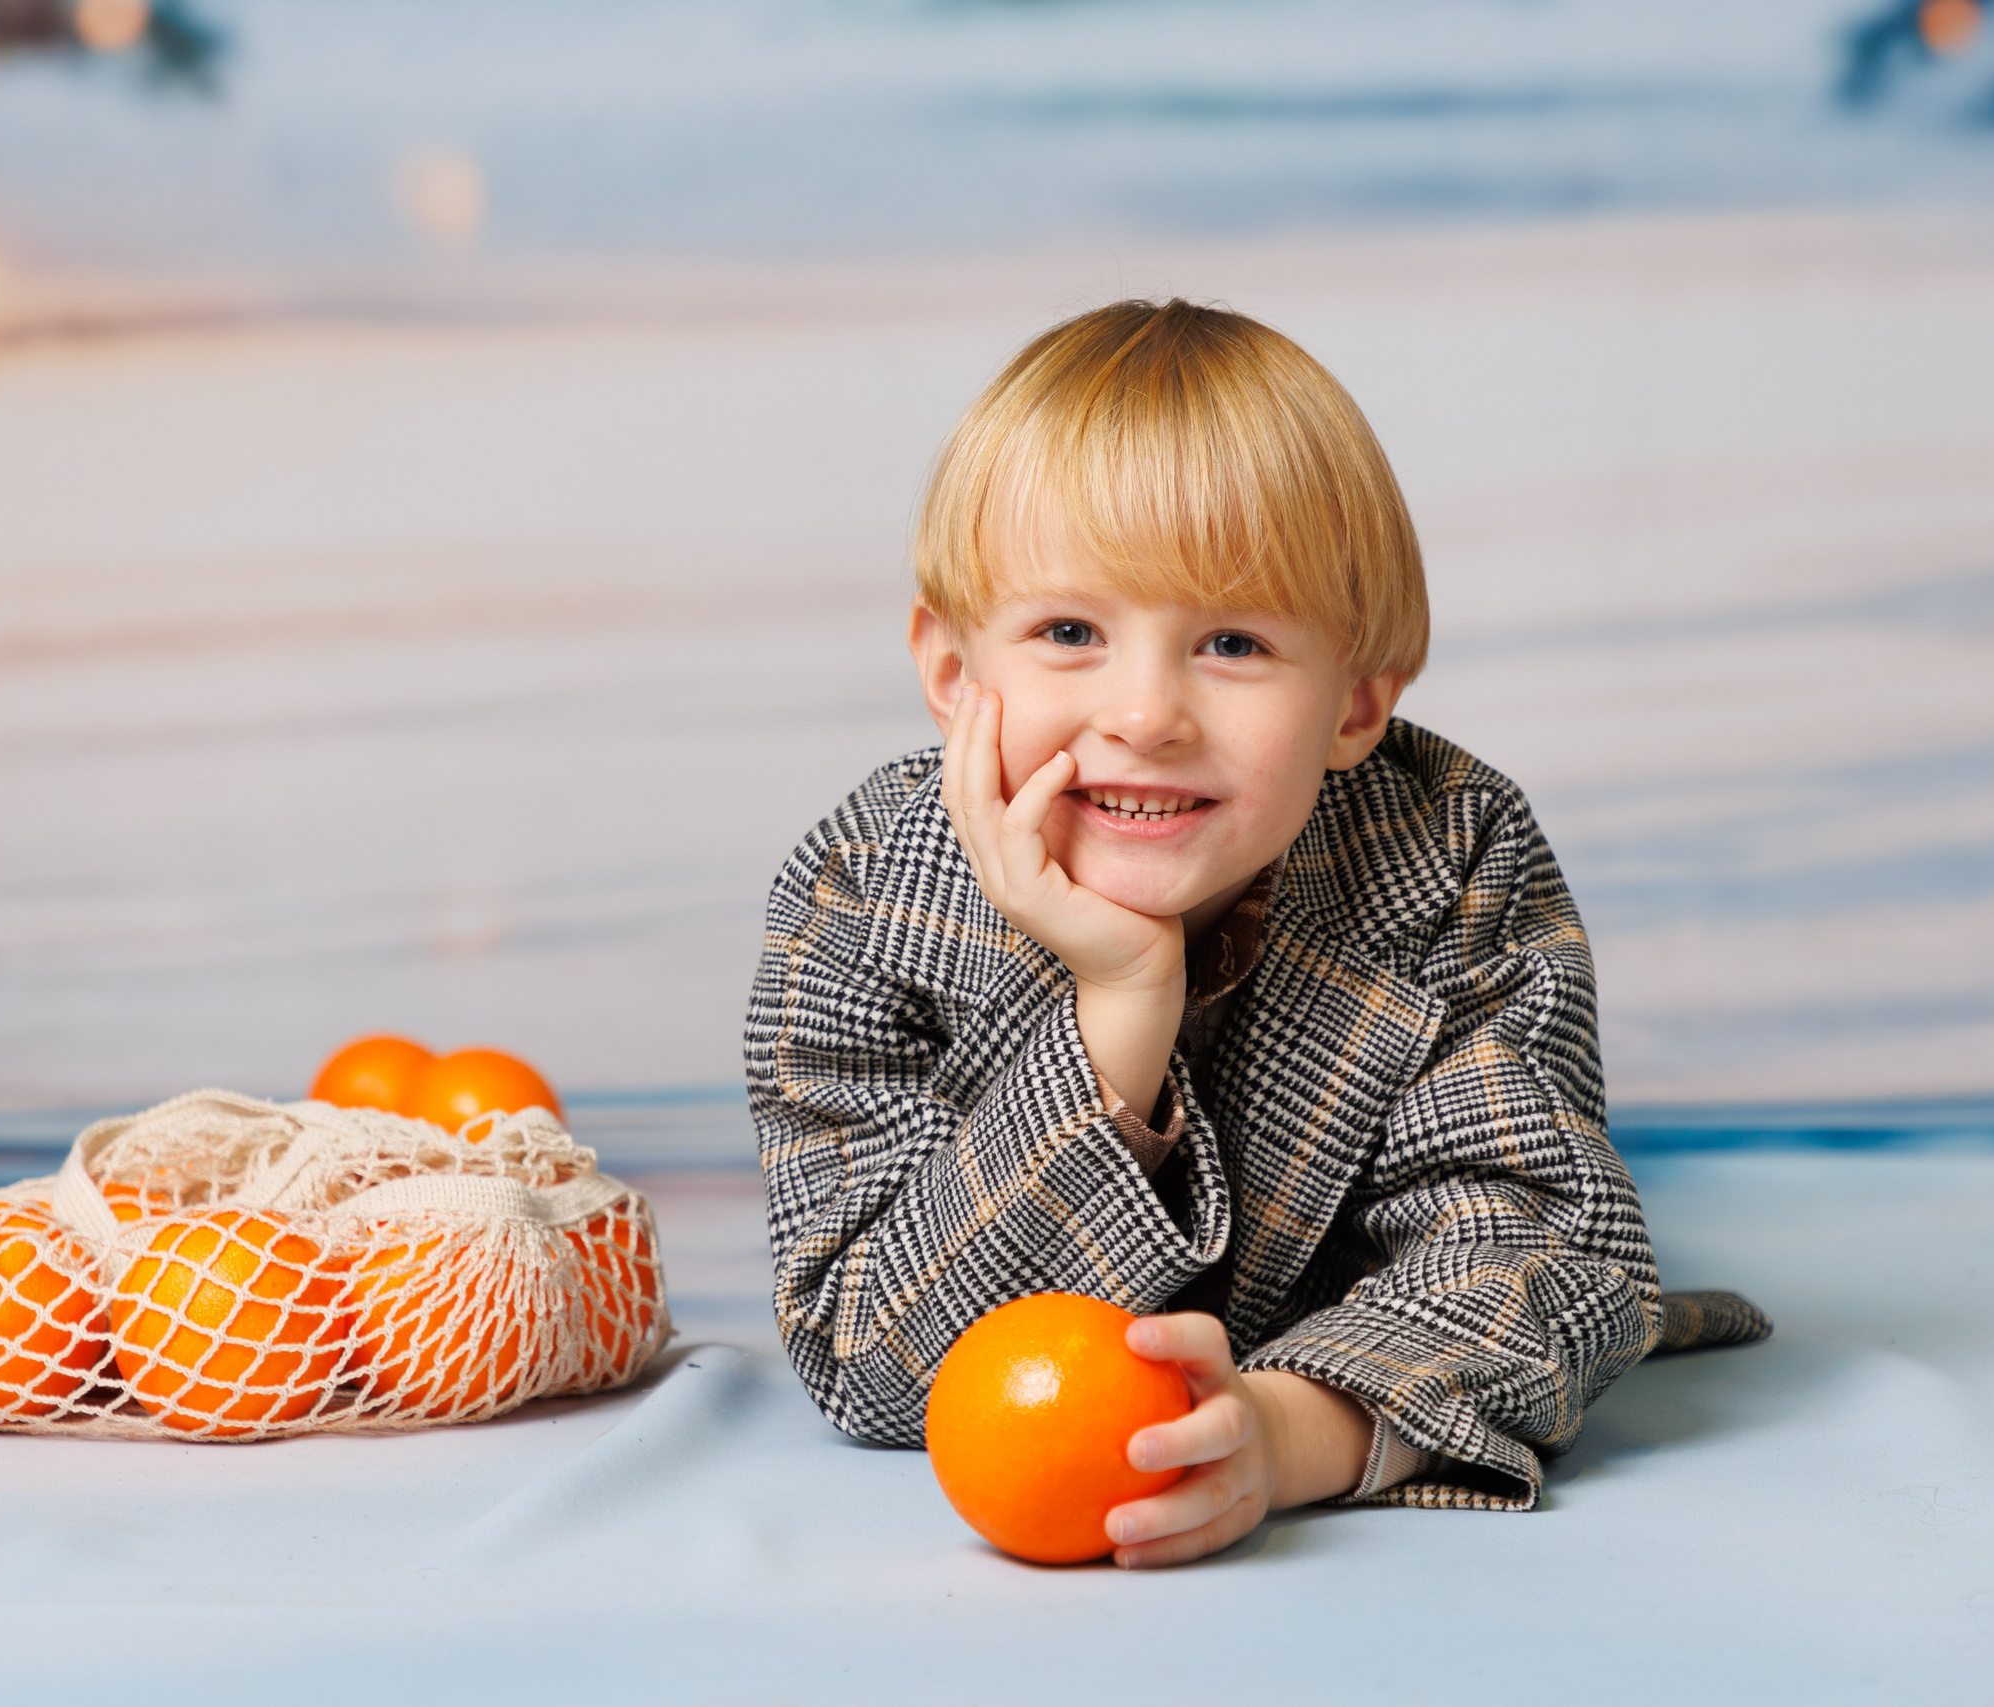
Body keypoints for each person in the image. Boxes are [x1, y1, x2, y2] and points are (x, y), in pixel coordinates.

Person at [744, 298, 1767, 1569]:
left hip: (1351, 1341)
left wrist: (1293, 1431)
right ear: (954, 674)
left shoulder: (1447, 852)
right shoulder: (864, 893)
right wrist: (1114, 1021)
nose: (1144, 713)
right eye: (1070, 633)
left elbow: (1547, 1248)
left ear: (1354, 704)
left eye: (1232, 642)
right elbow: (865, 1359)